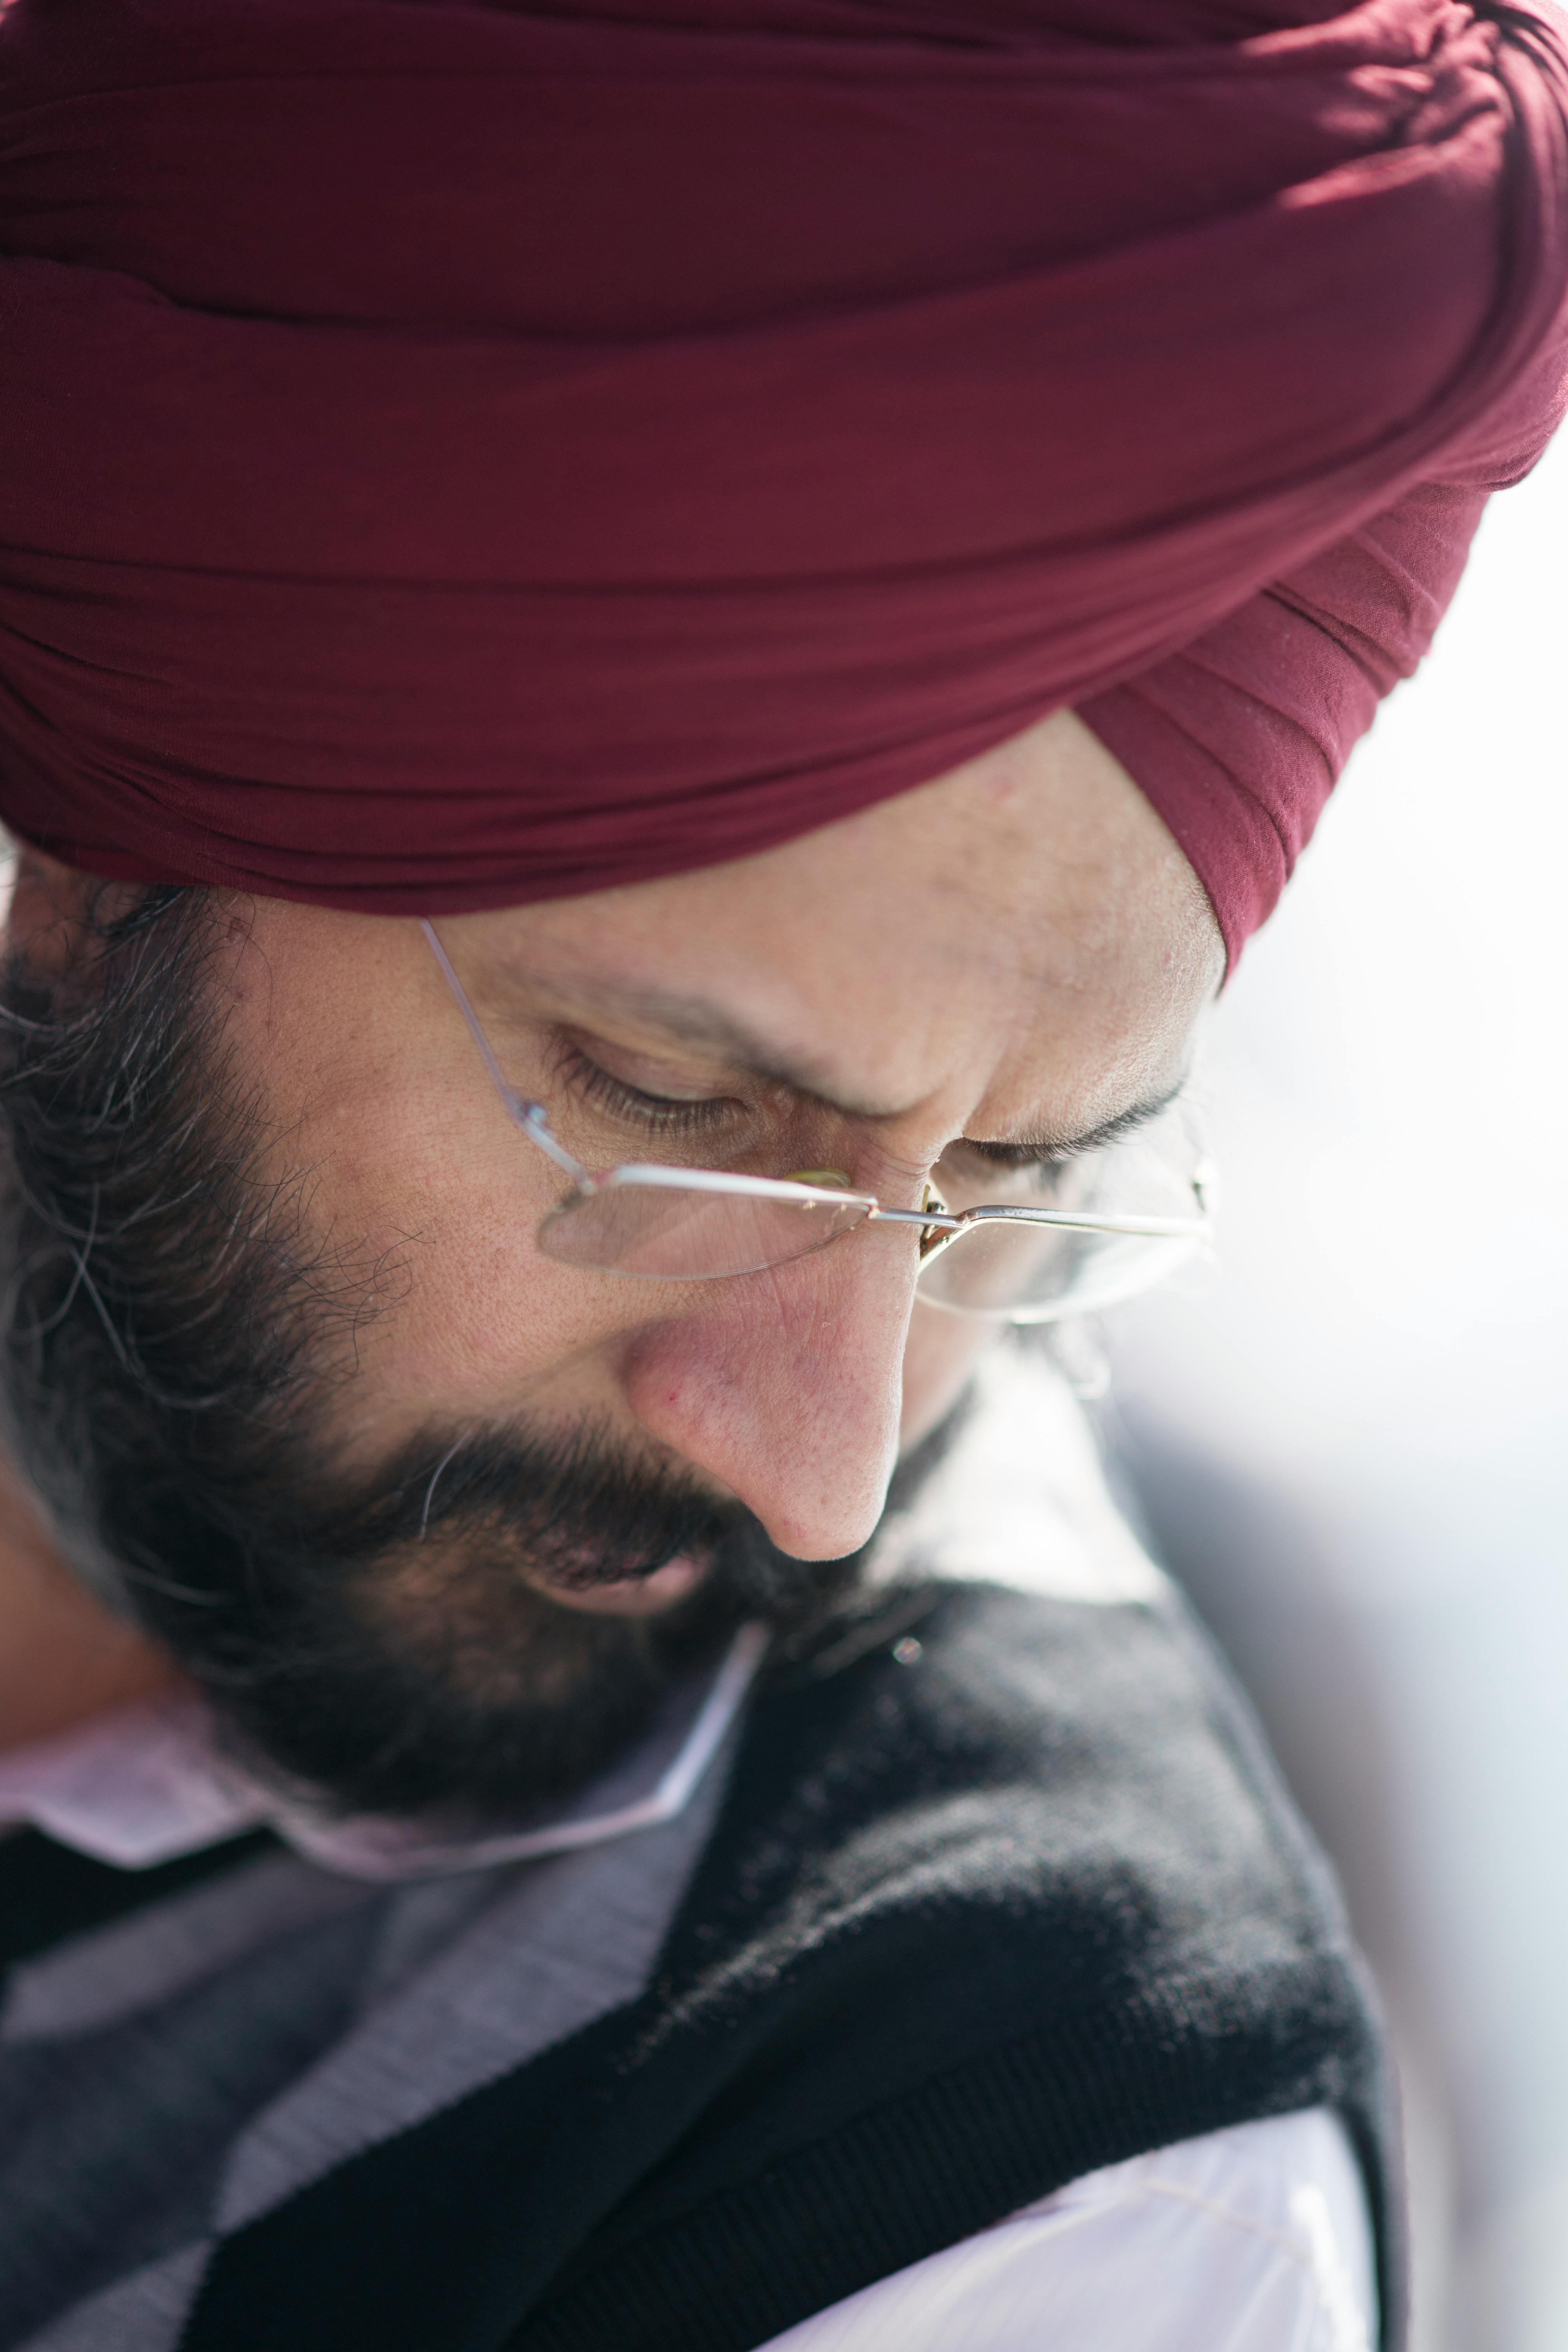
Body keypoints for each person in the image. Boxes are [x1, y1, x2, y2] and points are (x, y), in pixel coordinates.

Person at [0, 1, 1563, 2347]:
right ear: (103, 872)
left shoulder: (1008, 2172)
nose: (824, 1468)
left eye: (1024, 1174)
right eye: (676, 1102)